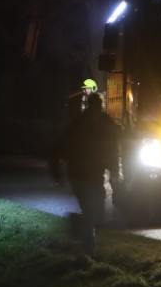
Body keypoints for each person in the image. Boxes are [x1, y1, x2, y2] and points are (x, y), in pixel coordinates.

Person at [50, 89, 122, 255]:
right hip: (80, 176)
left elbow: (111, 149)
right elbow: (59, 148)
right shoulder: (78, 125)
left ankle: (76, 222)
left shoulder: (104, 124)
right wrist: (57, 173)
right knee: (90, 212)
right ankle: (89, 253)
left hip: (95, 176)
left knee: (98, 213)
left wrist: (115, 170)